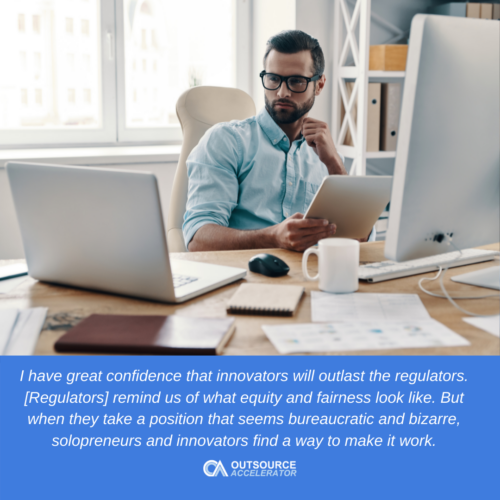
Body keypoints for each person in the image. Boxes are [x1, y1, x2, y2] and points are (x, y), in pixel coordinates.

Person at [183, 30, 373, 252]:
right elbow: (198, 239)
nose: (282, 92)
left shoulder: (325, 156)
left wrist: (334, 164)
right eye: (273, 79)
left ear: (319, 85)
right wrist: (273, 237)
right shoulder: (226, 141)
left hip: (307, 276)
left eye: (296, 81)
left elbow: (361, 238)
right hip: (245, 279)